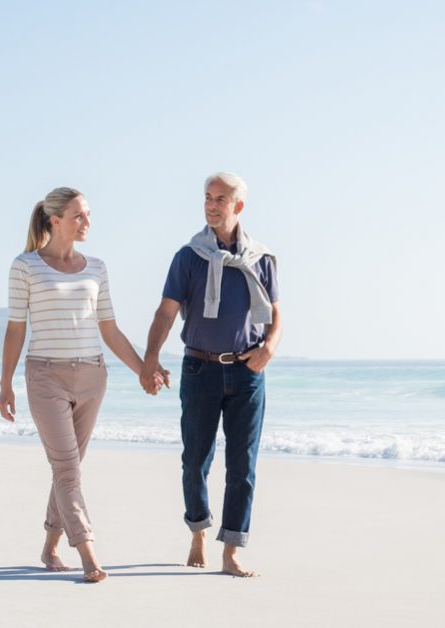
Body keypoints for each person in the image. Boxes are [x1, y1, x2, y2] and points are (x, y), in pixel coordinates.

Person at [0, 186, 162, 583]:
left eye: (87, 215)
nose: (87, 222)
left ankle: (50, 547)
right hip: (45, 375)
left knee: (67, 470)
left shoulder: (97, 268)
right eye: (79, 216)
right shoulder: (25, 266)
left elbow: (109, 329)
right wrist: (6, 385)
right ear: (55, 220)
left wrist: (144, 368)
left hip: (92, 376)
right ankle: (88, 553)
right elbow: (15, 330)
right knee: (68, 469)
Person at [141, 171, 281, 578]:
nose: (211, 205)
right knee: (195, 461)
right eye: (207, 197)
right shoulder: (189, 256)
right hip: (199, 368)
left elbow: (277, 316)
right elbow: (166, 312)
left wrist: (270, 347)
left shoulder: (263, 259)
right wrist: (150, 359)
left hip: (248, 371)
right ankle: (199, 531)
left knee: (243, 465)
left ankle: (232, 549)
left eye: (221, 199)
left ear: (238, 206)